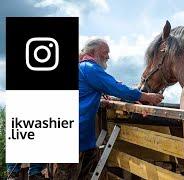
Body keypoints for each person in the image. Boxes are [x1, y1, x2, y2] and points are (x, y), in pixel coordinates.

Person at [53, 38, 164, 179]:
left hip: (82, 137)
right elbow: (116, 87)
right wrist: (147, 97)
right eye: (106, 52)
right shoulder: (89, 68)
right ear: (94, 52)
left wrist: (125, 97)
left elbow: (98, 89)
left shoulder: (81, 69)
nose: (108, 57)